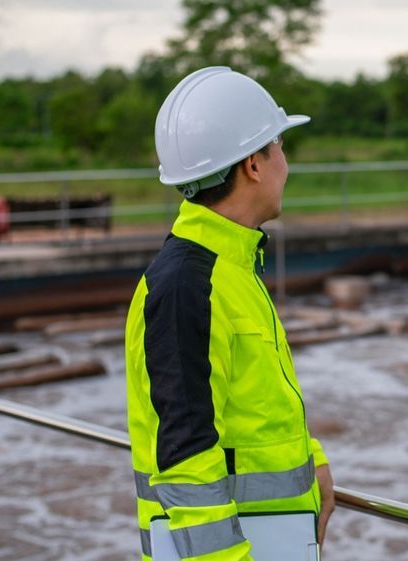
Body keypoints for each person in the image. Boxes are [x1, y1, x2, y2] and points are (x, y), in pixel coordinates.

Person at [125, 66, 334, 561]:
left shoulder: (230, 266)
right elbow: (185, 459)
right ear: (254, 166)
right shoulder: (186, 287)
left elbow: (252, 407)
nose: (286, 160)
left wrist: (312, 458)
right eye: (279, 144)